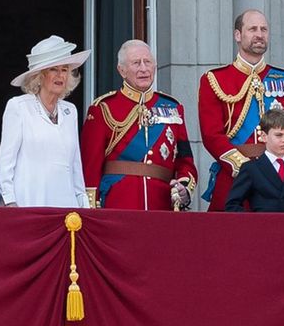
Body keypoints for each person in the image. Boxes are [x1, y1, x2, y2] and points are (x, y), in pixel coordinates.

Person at [197, 9, 284, 211]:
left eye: (264, 29)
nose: (259, 34)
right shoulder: (214, 79)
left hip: (277, 181)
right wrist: (246, 168)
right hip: (234, 176)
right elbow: (211, 135)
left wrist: (275, 165)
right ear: (238, 35)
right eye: (252, 29)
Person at [81, 40, 197, 210]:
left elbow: (185, 162)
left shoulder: (172, 108)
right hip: (118, 206)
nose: (143, 68)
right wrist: (91, 211)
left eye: (148, 62)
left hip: (161, 207)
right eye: (136, 63)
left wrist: (184, 188)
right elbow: (89, 168)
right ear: (122, 70)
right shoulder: (103, 108)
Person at [0, 35, 90, 208]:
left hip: (66, 208)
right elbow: (5, 163)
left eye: (65, 69)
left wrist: (83, 204)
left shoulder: (70, 111)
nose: (60, 75)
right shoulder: (19, 107)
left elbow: (75, 164)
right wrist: (9, 202)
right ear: (39, 75)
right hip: (28, 203)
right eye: (54, 69)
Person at [225, 108, 284, 212]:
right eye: (279, 135)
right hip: (262, 226)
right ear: (264, 136)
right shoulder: (251, 169)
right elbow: (232, 205)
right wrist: (252, 223)